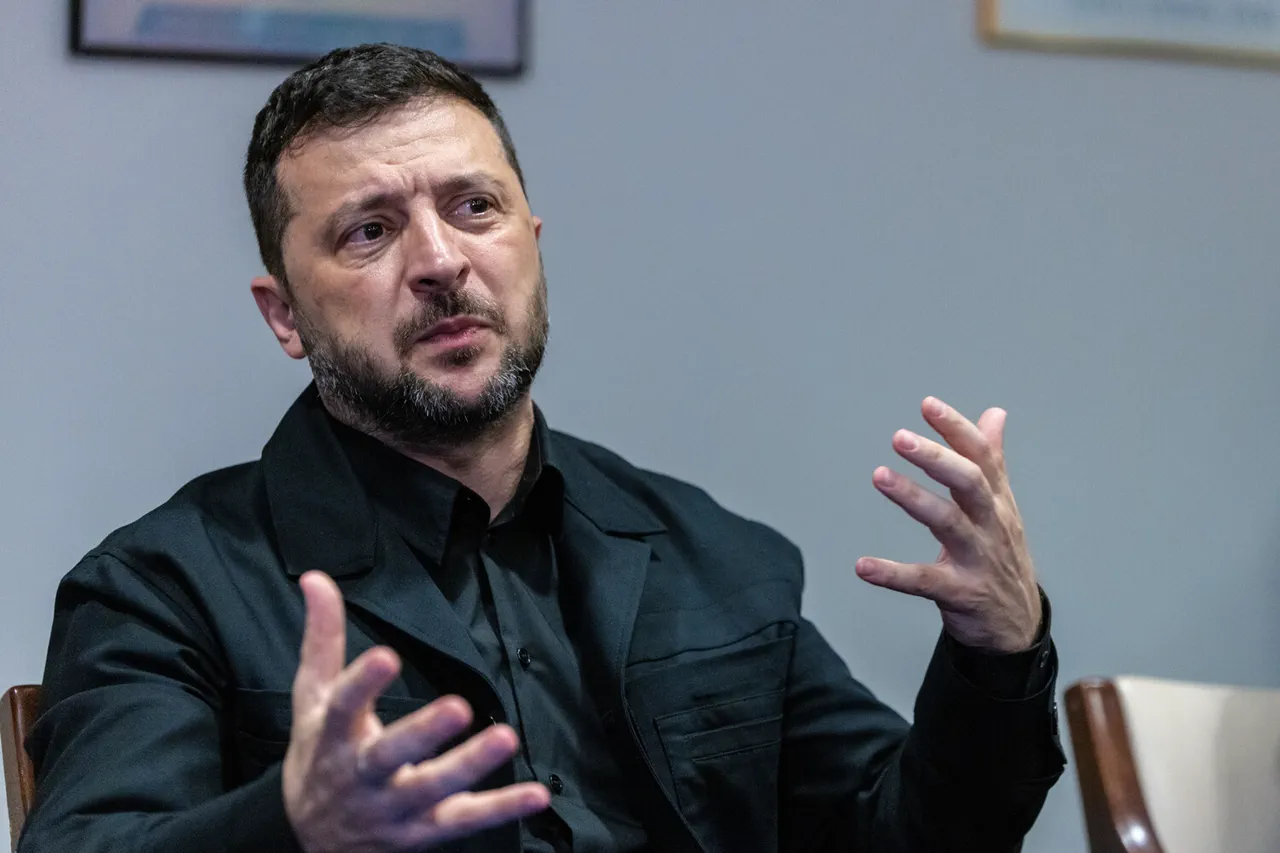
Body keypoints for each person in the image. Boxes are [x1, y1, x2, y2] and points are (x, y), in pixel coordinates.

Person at [19, 44, 1064, 853]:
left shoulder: (709, 554)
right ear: (284, 313)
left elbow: (911, 835)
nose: (439, 261)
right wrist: (292, 826)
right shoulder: (165, 588)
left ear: (530, 242)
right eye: (370, 231)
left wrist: (998, 651)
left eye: (473, 208)